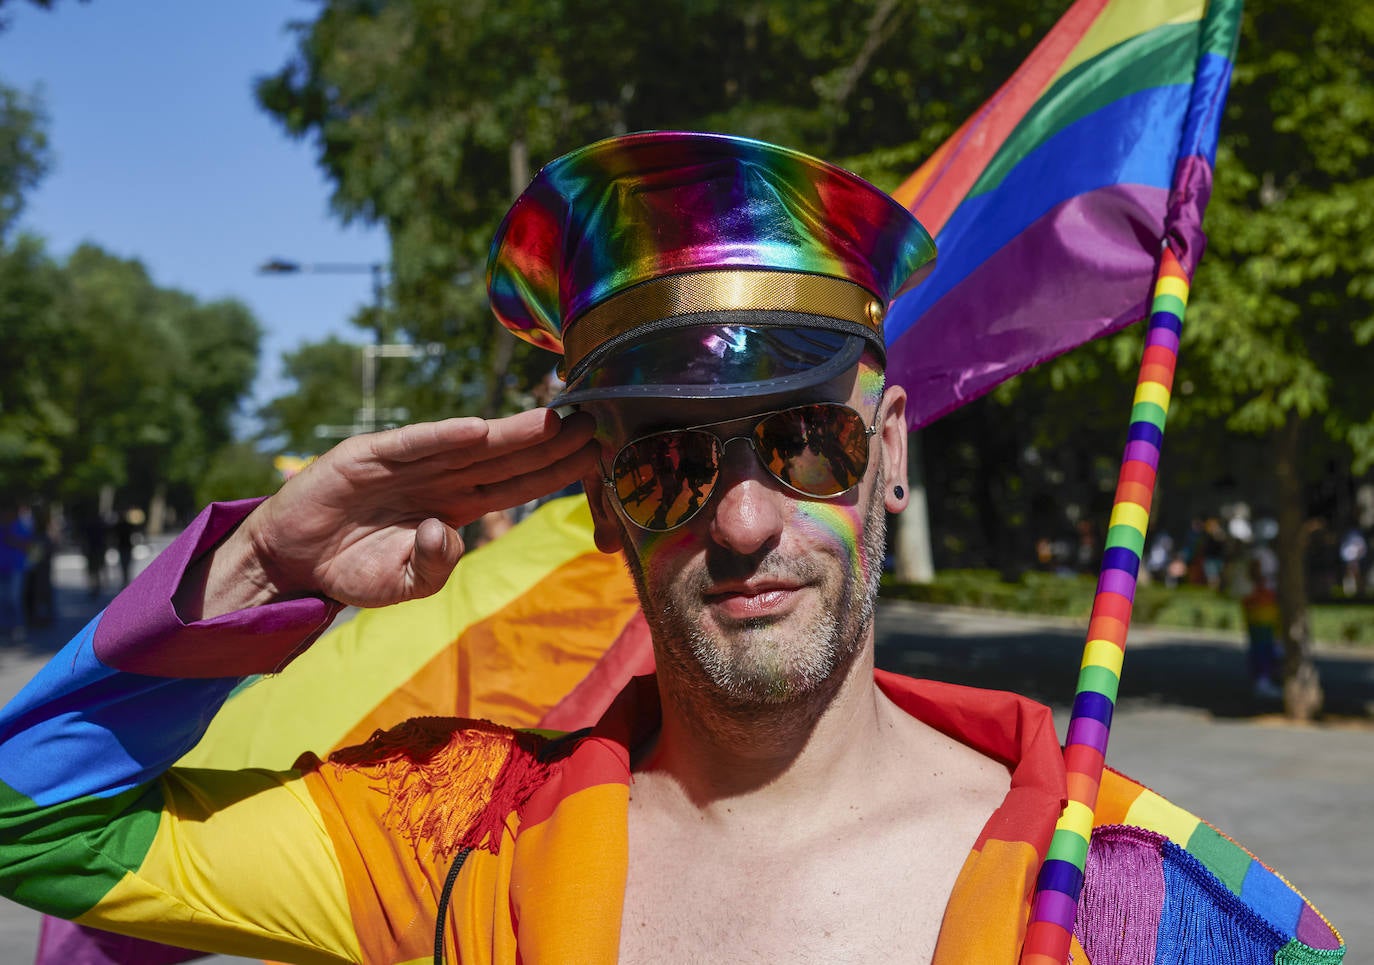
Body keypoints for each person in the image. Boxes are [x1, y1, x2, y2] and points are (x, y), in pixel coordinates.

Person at [0, 133, 1344, 963]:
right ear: (600, 504)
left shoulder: (1147, 907)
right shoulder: (446, 835)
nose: (744, 518)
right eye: (669, 462)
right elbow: (28, 823)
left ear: (885, 459)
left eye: (803, 442)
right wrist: (258, 574)